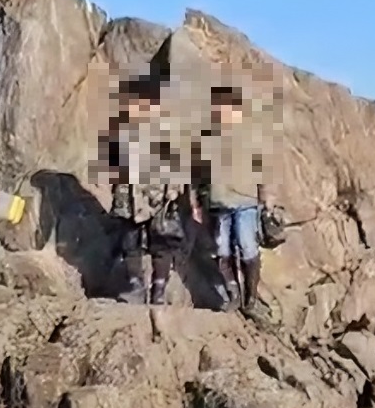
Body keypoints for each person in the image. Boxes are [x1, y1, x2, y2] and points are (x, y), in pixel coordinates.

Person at [93, 77, 198, 304]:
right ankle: (135, 285)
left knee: (161, 241)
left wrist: (174, 188)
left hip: (157, 194)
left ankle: (158, 291)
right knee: (129, 242)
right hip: (127, 194)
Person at [199, 85, 268, 314]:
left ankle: (251, 300)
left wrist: (264, 196)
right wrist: (196, 201)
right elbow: (199, 172)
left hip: (245, 200)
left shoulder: (250, 135)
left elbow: (260, 167)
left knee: (248, 246)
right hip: (218, 201)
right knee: (221, 250)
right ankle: (233, 296)